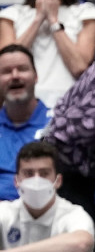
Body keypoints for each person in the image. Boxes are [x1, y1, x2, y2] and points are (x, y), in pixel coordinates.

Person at [0, 141, 95, 252]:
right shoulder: (5, 212)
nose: (36, 180)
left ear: (57, 181)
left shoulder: (73, 213)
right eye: (29, 174)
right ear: (16, 181)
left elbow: (82, 243)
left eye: (44, 174)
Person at [0, 0, 95, 107]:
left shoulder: (86, 12)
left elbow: (79, 67)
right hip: (22, 104)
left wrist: (53, 20)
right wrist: (39, 18)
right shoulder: (11, 14)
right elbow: (8, 63)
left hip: (70, 103)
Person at [0, 45, 49, 202]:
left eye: (22, 69)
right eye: (6, 71)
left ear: (36, 76)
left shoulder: (58, 124)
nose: (15, 76)